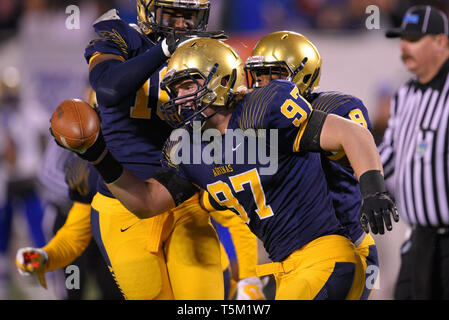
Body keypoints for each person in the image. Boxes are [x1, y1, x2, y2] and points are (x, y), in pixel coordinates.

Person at [53, 38, 398, 300]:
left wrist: (374, 190)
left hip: (324, 256)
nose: (180, 97)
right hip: (278, 267)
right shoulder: (189, 145)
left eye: (188, 85)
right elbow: (146, 202)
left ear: (219, 77)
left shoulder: (264, 108)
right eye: (175, 90)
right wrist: (100, 156)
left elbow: (352, 133)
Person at [244, 30, 381, 299]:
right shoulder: (257, 120)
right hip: (292, 255)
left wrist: (374, 189)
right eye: (258, 75)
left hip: (345, 245)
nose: (263, 85)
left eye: (273, 75)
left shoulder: (336, 108)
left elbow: (359, 143)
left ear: (302, 75)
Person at [380, 5, 449, 300]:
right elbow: (390, 155)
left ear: (441, 42)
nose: (405, 47)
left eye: (414, 39)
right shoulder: (405, 93)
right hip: (419, 238)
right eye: (402, 39)